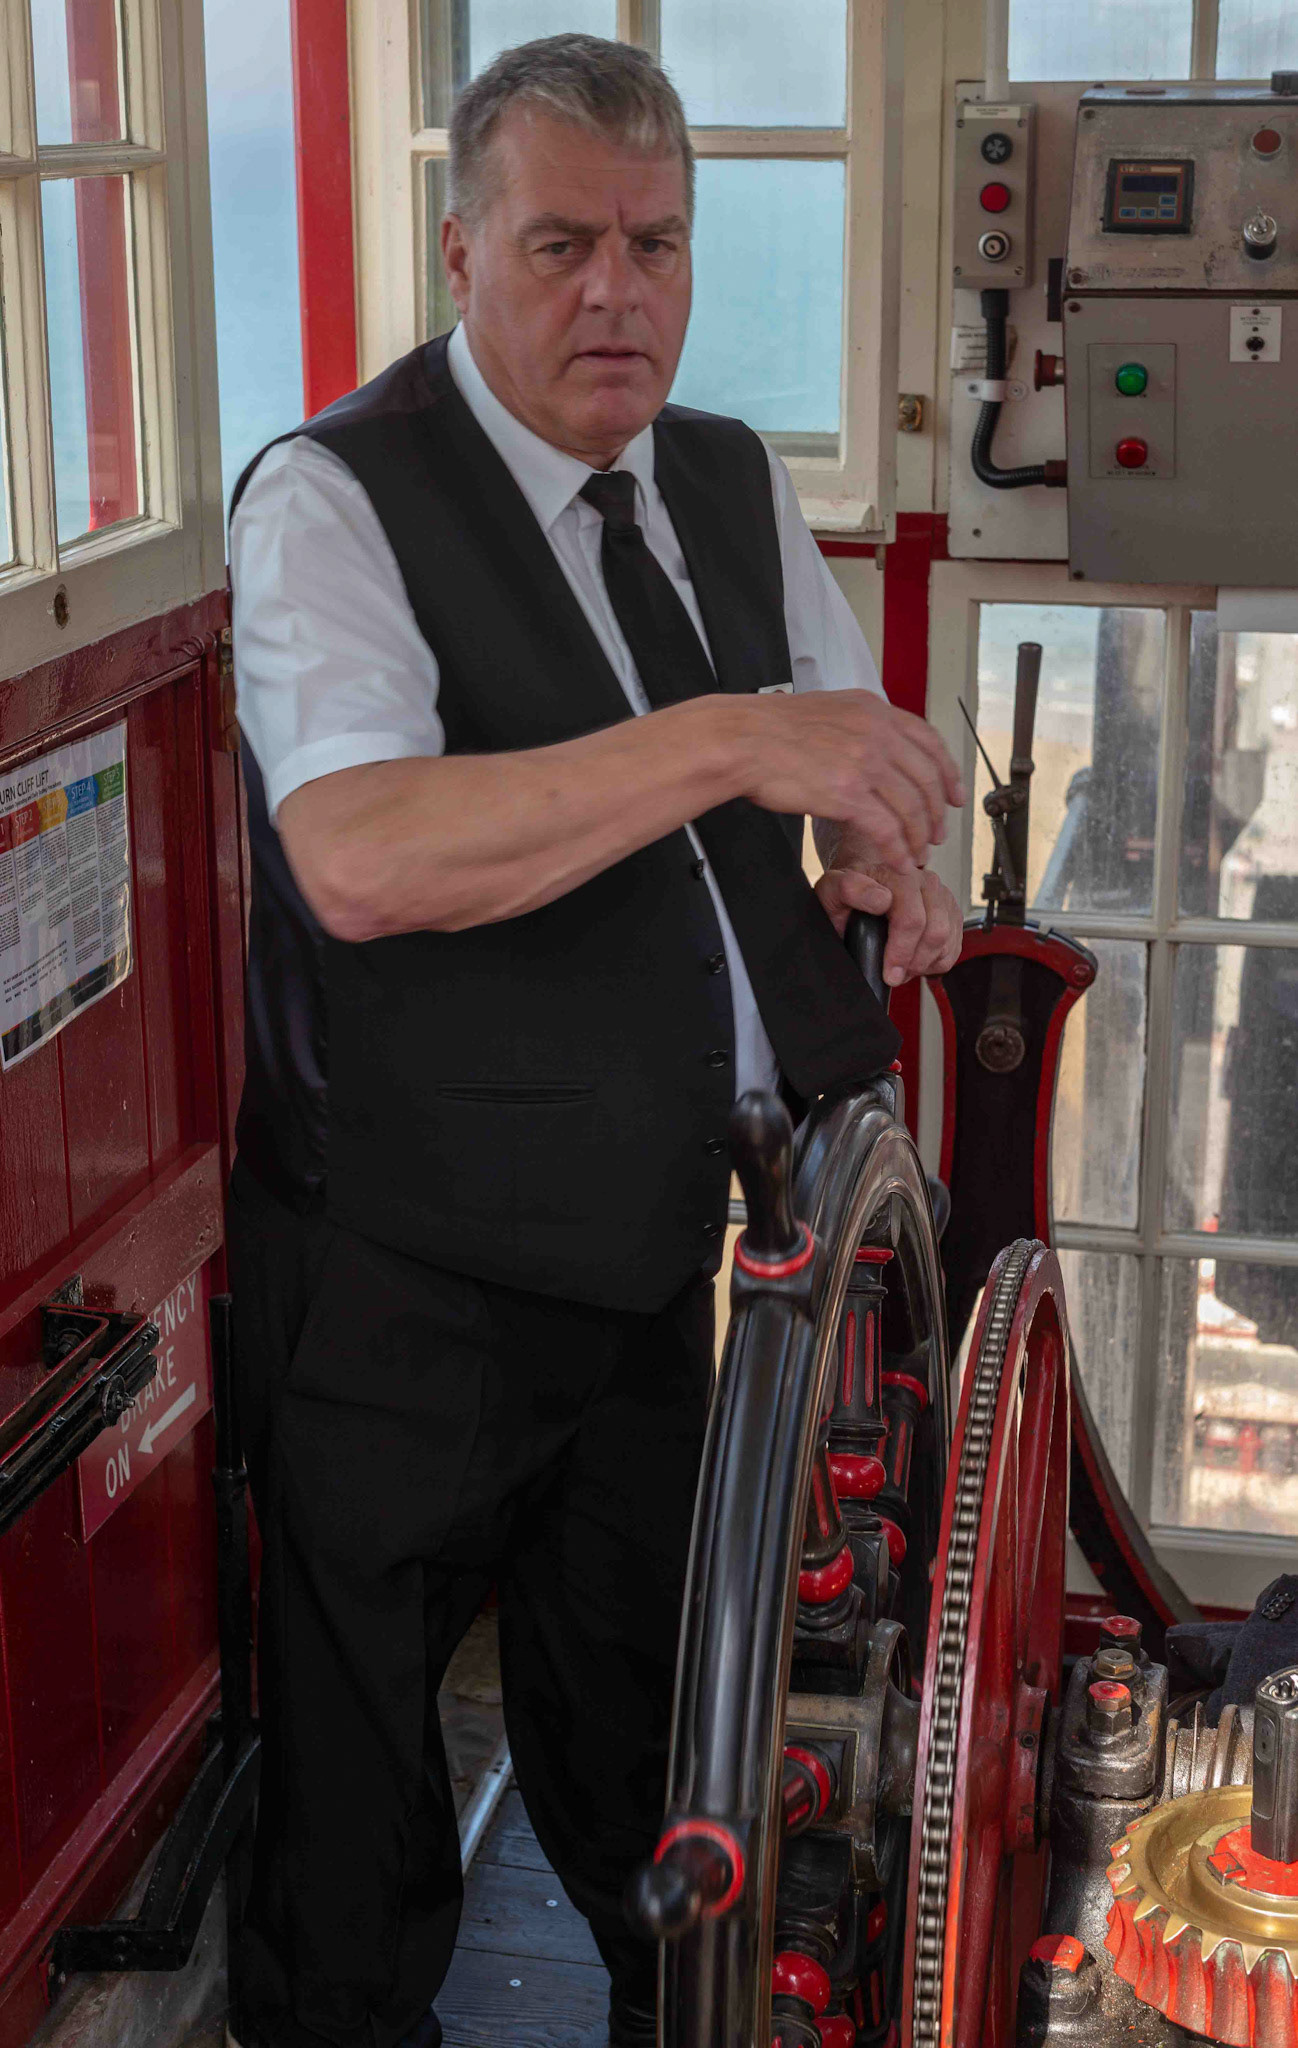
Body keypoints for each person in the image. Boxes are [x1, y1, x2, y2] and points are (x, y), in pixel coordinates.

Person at [225, 32, 964, 2048]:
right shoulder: (331, 498)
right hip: (400, 1271)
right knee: (360, 1821)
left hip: (650, 1257)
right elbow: (362, 853)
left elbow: (872, 756)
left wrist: (902, 839)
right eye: (558, 244)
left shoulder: (723, 479)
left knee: (655, 1759)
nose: (614, 293)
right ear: (458, 249)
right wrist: (733, 739)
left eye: (655, 243)